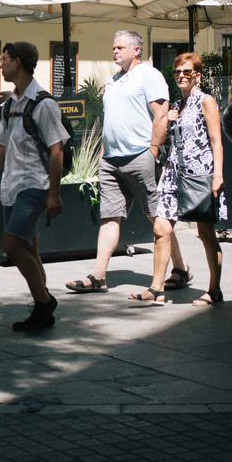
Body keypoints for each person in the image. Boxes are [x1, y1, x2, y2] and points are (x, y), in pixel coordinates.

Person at [65, 30, 191, 294]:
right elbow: (111, 120)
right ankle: (98, 276)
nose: (115, 51)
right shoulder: (113, 81)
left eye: (120, 47)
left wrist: (153, 151)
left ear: (136, 50)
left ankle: (179, 268)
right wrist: (102, 154)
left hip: (139, 156)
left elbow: (161, 115)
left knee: (157, 216)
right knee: (109, 217)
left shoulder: (149, 76)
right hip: (111, 160)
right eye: (113, 47)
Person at [0, 42, 69, 332]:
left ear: (18, 62)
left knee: (12, 244)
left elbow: (57, 151)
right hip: (13, 185)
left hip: (35, 185)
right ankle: (43, 306)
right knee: (29, 246)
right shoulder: (10, 106)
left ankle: (44, 303)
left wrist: (53, 194)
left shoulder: (44, 104)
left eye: (4, 60)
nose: (0, 65)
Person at [132, 53, 226, 306]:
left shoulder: (206, 101)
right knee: (161, 228)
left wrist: (217, 176)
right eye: (177, 73)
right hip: (175, 172)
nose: (182, 77)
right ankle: (156, 288)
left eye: (187, 72)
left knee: (206, 233)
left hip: (200, 173)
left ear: (198, 75)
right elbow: (163, 139)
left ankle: (214, 290)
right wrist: (168, 120)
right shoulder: (176, 105)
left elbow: (216, 141)